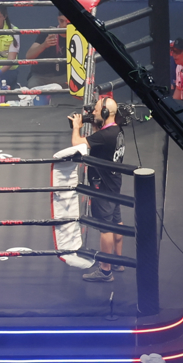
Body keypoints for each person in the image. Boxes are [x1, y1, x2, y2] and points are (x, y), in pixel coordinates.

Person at [69, 97, 126, 282]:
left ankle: (105, 270)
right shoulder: (116, 131)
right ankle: (118, 261)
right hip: (114, 183)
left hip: (103, 186)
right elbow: (99, 145)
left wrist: (77, 125)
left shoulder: (105, 136)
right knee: (116, 223)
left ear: (103, 113)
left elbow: (77, 143)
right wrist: (94, 126)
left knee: (105, 228)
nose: (92, 112)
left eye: (95, 110)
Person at [25, 14, 69, 89]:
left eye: (68, 22)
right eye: (61, 21)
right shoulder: (48, 32)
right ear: (58, 19)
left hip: (63, 76)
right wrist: (44, 45)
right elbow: (28, 56)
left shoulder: (76, 35)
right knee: (32, 86)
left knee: (78, 86)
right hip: (40, 77)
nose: (64, 25)